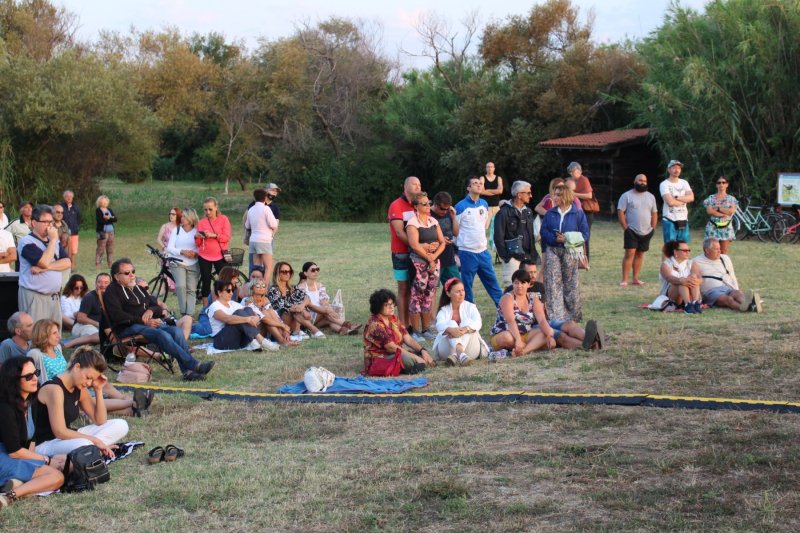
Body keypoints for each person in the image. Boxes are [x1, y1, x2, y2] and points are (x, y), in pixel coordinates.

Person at [104, 258, 215, 381]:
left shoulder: (138, 289)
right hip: (126, 328)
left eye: (133, 271)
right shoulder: (111, 292)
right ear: (116, 277)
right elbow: (118, 316)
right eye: (127, 273)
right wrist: (143, 320)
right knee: (161, 334)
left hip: (146, 326)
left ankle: (188, 372)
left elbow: (157, 306)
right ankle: (194, 365)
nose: (132, 275)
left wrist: (151, 310)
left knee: (176, 331)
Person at [34, 349, 129, 458]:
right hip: (45, 443)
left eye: (92, 380)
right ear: (77, 367)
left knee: (121, 425)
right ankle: (92, 450)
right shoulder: (54, 389)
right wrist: (96, 441)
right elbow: (59, 431)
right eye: (88, 377)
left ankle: (90, 451)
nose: (89, 383)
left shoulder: (80, 388)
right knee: (84, 443)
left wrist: (98, 389)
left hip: (66, 438)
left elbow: (100, 420)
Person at [0, 356, 65, 508]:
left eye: (35, 373)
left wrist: (40, 462)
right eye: (28, 376)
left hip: (15, 454)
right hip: (5, 455)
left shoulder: (30, 401)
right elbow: (14, 451)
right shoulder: (5, 407)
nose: (35, 378)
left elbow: (31, 440)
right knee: (56, 477)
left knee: (64, 461)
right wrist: (46, 461)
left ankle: (19, 484)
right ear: (14, 380)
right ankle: (8, 496)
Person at [507, 261, 603, 350]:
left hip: (544, 321)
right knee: (561, 336)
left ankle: (591, 338)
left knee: (570, 324)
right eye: (530, 272)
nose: (532, 275)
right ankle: (591, 345)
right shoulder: (512, 290)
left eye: (534, 272)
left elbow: (543, 311)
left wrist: (550, 324)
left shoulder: (539, 286)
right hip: (530, 327)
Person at [540, 183, 589, 322]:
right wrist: (555, 240)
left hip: (569, 250)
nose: (554, 197)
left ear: (566, 196)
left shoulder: (578, 213)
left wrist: (566, 238)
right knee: (553, 282)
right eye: (554, 194)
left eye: (558, 195)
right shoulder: (550, 213)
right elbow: (543, 231)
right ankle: (556, 316)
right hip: (553, 250)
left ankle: (572, 315)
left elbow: (585, 234)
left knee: (570, 283)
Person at [17, 205, 71, 327]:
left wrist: (45, 268)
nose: (49, 225)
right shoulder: (26, 242)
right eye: (45, 222)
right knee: (35, 334)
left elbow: (67, 263)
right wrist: (52, 240)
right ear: (34, 223)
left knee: (53, 335)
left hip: (53, 297)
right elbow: (44, 262)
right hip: (35, 296)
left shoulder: (54, 241)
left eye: (50, 222)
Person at [454, 177, 503, 306]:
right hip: (467, 252)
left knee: (492, 282)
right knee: (466, 286)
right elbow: (455, 230)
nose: (478, 185)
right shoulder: (460, 206)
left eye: (480, 183)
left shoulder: (484, 204)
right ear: (468, 188)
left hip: (483, 252)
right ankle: (468, 312)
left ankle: (503, 309)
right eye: (475, 183)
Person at [363, 288, 435, 375]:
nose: (391, 307)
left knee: (422, 353)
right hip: (379, 359)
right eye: (387, 305)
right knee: (407, 358)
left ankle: (417, 363)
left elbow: (408, 339)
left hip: (395, 354)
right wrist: (415, 357)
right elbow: (391, 347)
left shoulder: (393, 319)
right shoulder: (375, 324)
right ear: (378, 307)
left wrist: (423, 351)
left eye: (392, 303)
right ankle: (413, 364)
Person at [488, 269, 557, 359]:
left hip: (525, 334)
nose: (519, 286)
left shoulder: (533, 298)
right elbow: (510, 321)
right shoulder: (507, 298)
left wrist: (548, 335)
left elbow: (542, 320)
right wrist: (517, 340)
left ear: (529, 285)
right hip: (505, 333)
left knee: (548, 337)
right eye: (516, 283)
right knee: (507, 337)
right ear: (512, 284)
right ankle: (531, 346)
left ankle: (523, 351)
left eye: (523, 283)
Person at [406, 192, 446, 341]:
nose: (428, 205)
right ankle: (415, 331)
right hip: (418, 262)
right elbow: (414, 245)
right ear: (416, 206)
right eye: (424, 204)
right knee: (417, 296)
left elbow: (442, 242)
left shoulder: (433, 221)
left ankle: (426, 329)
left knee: (429, 295)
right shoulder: (412, 223)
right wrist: (429, 259)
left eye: (428, 203)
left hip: (433, 262)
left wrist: (433, 259)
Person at [387, 176, 422, 330]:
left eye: (419, 184)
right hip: (401, 253)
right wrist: (417, 246)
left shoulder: (419, 205)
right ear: (405, 186)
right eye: (414, 184)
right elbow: (400, 233)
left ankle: (419, 324)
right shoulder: (396, 205)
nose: (418, 187)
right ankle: (403, 324)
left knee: (417, 288)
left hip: (418, 253)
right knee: (404, 288)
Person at [692, 237, 762, 312]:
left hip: (727, 287)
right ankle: (748, 307)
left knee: (738, 294)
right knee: (728, 299)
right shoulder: (696, 261)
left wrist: (736, 289)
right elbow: (695, 280)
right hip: (711, 292)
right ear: (707, 250)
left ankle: (749, 303)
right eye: (716, 249)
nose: (719, 251)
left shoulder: (725, 258)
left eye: (719, 248)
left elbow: (732, 275)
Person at [206, 280, 279, 351]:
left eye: (232, 290)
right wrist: (248, 319)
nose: (231, 293)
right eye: (228, 291)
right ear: (219, 292)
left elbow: (250, 312)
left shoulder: (232, 303)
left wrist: (256, 317)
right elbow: (227, 319)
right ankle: (261, 340)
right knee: (238, 313)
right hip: (222, 341)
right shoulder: (214, 306)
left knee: (247, 309)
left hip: (237, 340)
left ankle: (253, 340)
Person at [493, 180, 539, 286]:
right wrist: (506, 257)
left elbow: (530, 235)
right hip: (511, 257)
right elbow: (498, 237)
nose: (531, 196)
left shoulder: (528, 211)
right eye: (528, 193)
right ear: (519, 195)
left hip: (527, 255)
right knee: (512, 287)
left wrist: (532, 255)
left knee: (529, 287)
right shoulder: (503, 212)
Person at [432, 278, 487, 366]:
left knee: (468, 322)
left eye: (463, 290)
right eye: (458, 291)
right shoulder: (444, 310)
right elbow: (439, 325)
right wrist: (450, 330)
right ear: (448, 293)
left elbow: (478, 322)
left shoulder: (471, 306)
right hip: (448, 352)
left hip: (470, 350)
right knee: (451, 324)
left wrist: (466, 329)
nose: (462, 294)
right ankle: (460, 354)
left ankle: (458, 354)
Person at [297, 262, 361, 335]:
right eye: (313, 270)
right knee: (326, 312)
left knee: (328, 320)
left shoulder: (320, 286)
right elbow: (307, 306)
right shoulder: (301, 288)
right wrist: (326, 310)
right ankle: (348, 325)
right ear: (305, 273)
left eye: (317, 269)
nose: (316, 272)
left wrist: (329, 310)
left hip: (319, 318)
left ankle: (345, 331)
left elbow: (324, 301)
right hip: (307, 317)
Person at [617, 174, 658, 287]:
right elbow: (620, 212)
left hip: (646, 231)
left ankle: (635, 278)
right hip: (631, 230)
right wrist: (625, 228)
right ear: (634, 181)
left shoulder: (651, 197)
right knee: (630, 253)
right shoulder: (626, 196)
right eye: (640, 180)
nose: (643, 182)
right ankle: (624, 279)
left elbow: (654, 213)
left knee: (640, 254)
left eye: (645, 180)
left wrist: (653, 228)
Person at [268, 262, 325, 341]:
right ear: (277, 273)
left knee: (297, 309)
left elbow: (306, 297)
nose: (288, 274)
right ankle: (314, 330)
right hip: (281, 320)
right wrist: (298, 308)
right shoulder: (273, 289)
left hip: (297, 318)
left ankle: (297, 331)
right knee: (288, 310)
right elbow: (281, 305)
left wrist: (302, 306)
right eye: (284, 272)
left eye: (289, 271)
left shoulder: (293, 288)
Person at [241, 278, 299, 347]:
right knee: (265, 314)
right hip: (254, 332)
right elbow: (263, 318)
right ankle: (282, 341)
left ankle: (285, 338)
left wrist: (284, 330)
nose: (261, 288)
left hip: (266, 329)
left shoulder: (265, 299)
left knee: (270, 311)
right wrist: (283, 326)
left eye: (263, 286)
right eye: (257, 286)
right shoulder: (247, 300)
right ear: (252, 288)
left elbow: (275, 315)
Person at [196, 197, 231, 307]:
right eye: (205, 210)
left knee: (224, 281)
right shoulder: (201, 222)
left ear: (216, 207)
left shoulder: (224, 219)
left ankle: (223, 305)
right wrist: (197, 237)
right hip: (204, 255)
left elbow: (227, 237)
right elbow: (197, 243)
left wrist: (214, 235)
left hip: (220, 255)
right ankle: (206, 308)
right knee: (206, 281)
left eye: (210, 209)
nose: (208, 212)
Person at [166, 207, 200, 317]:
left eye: (185, 216)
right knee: (181, 286)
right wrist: (182, 251)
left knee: (191, 289)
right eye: (182, 216)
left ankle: (189, 314)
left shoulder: (197, 231)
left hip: (193, 263)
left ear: (191, 218)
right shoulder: (177, 230)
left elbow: (201, 247)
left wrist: (195, 253)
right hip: (177, 262)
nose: (182, 218)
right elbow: (170, 248)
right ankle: (183, 312)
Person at [245, 189, 278, 286]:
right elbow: (273, 224)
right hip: (264, 241)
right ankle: (264, 289)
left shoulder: (251, 209)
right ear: (265, 197)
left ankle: (254, 288)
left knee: (256, 267)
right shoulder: (266, 209)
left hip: (253, 240)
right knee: (268, 267)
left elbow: (247, 226)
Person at [658, 240, 702, 314]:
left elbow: (700, 277)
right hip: (672, 296)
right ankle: (688, 304)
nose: (687, 252)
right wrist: (682, 280)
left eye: (688, 250)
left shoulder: (691, 263)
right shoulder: (666, 264)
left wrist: (696, 280)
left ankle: (695, 303)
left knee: (694, 278)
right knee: (681, 282)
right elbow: (669, 278)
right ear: (675, 252)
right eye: (684, 250)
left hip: (690, 293)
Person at [70, 273, 110, 346]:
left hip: (100, 328)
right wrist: (97, 324)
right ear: (95, 283)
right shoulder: (90, 297)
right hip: (83, 326)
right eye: (99, 282)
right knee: (99, 337)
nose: (102, 285)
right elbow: (80, 318)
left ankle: (85, 342)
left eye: (106, 282)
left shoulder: (111, 298)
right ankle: (69, 344)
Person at [565, 162, 596, 259]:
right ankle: (577, 257)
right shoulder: (571, 180)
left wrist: (574, 194)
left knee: (585, 236)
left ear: (579, 171)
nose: (571, 174)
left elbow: (589, 195)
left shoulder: (583, 179)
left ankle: (586, 258)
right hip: (578, 212)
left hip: (587, 212)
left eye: (572, 171)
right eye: (570, 172)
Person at [660, 159, 694, 243]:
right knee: (670, 248)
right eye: (674, 167)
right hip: (670, 219)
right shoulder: (664, 184)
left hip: (683, 219)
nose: (677, 170)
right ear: (668, 170)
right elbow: (670, 202)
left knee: (683, 247)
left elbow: (691, 198)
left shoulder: (684, 183)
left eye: (679, 168)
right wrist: (684, 200)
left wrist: (676, 197)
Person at [703, 176, 738, 255]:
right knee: (710, 251)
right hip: (712, 226)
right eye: (719, 182)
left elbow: (731, 211)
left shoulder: (732, 199)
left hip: (726, 227)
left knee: (723, 251)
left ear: (727, 184)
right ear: (716, 185)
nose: (721, 184)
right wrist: (722, 215)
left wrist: (718, 208)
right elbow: (709, 211)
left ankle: (722, 266)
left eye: (723, 182)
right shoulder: (711, 198)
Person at [430, 192, 460, 283]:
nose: (444, 211)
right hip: (435, 258)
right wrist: (440, 240)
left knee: (456, 286)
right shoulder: (428, 214)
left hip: (449, 258)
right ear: (435, 204)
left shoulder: (449, 213)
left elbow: (456, 233)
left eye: (447, 209)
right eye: (442, 209)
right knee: (432, 290)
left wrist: (454, 218)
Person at [94, 195, 117, 269]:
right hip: (102, 232)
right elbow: (100, 221)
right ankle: (98, 263)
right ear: (99, 202)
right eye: (102, 202)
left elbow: (115, 219)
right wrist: (109, 218)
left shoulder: (109, 210)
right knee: (101, 248)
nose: (104, 203)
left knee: (110, 248)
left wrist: (108, 218)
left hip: (111, 231)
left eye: (105, 202)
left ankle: (110, 264)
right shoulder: (98, 210)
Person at [480, 161, 504, 229]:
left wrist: (487, 190)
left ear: (494, 168)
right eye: (488, 167)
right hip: (485, 207)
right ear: (486, 168)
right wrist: (495, 191)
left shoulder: (499, 178)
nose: (490, 168)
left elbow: (500, 191)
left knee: (497, 227)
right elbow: (481, 191)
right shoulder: (482, 178)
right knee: (484, 227)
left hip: (496, 206)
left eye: (491, 167)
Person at [60, 190, 81, 267]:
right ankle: (64, 264)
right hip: (63, 231)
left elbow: (79, 218)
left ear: (72, 197)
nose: (69, 198)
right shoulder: (61, 207)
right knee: (63, 248)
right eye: (67, 196)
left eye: (70, 196)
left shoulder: (76, 207)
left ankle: (72, 265)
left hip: (74, 231)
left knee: (73, 250)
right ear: (64, 197)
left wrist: (76, 226)